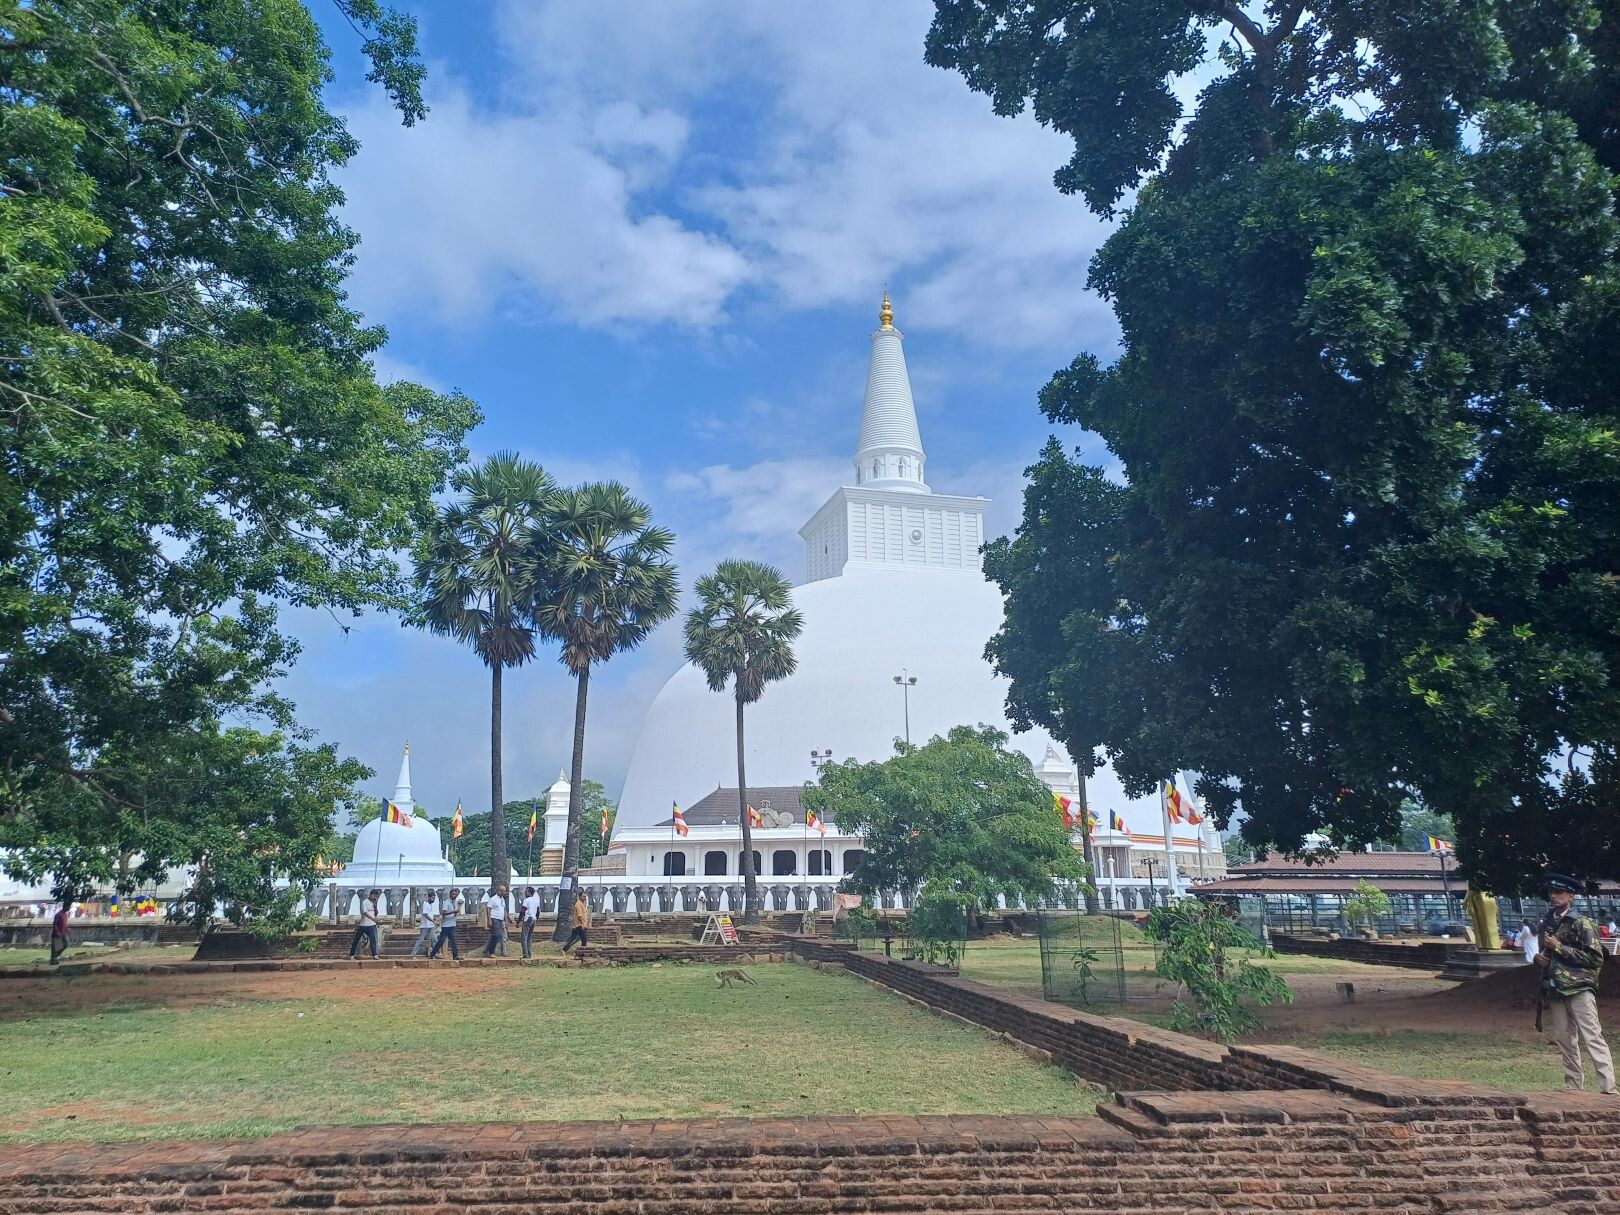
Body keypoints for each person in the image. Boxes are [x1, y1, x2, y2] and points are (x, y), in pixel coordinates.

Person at [1535, 873, 1615, 1095]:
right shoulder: (1547, 921)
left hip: (1579, 987)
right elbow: (1545, 952)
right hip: (1556, 987)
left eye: (1559, 892)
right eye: (1551, 892)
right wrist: (1538, 958)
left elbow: (1596, 958)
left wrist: (1559, 946)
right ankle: (1573, 1086)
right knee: (1564, 1038)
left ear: (1571, 895)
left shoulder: (1582, 922)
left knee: (1592, 1036)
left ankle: (1608, 1087)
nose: (1554, 896)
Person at [348, 889, 381, 959]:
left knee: (373, 940)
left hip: (372, 925)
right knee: (356, 940)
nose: (374, 897)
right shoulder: (364, 902)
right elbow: (365, 912)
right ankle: (351, 955)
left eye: (376, 897)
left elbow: (376, 913)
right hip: (363, 924)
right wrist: (372, 918)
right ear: (370, 895)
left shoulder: (374, 902)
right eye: (374, 896)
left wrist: (375, 905)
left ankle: (375, 955)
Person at [429, 889, 460, 960]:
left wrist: (455, 912)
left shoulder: (454, 902)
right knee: (441, 941)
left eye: (456, 895)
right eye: (453, 894)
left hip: (452, 924)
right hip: (446, 925)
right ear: (450, 894)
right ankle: (432, 954)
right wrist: (453, 911)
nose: (454, 896)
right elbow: (443, 912)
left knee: (453, 941)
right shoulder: (446, 902)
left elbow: (454, 912)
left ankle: (455, 956)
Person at [482, 885, 509, 957]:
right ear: (498, 891)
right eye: (502, 891)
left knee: (495, 935)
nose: (504, 892)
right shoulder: (493, 899)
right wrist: (489, 920)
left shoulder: (502, 900)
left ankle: (486, 950)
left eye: (505, 891)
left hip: (501, 919)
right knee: (497, 935)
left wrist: (506, 920)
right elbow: (488, 909)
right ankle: (491, 952)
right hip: (494, 918)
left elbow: (504, 910)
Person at [410, 891, 438, 958]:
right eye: (432, 898)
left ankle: (435, 954)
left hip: (431, 926)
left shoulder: (430, 904)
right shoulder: (425, 904)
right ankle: (413, 954)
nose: (433, 900)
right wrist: (433, 921)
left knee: (434, 939)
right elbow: (425, 914)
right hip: (425, 925)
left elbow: (431, 914)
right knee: (420, 940)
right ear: (428, 897)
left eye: (434, 899)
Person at [519, 886, 541, 958]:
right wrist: (536, 919)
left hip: (528, 919)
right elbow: (538, 912)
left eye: (526, 891)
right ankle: (529, 953)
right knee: (529, 937)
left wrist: (518, 921)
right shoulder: (536, 900)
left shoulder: (526, 900)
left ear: (529, 892)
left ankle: (525, 954)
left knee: (524, 937)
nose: (525, 893)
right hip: (533, 919)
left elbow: (522, 911)